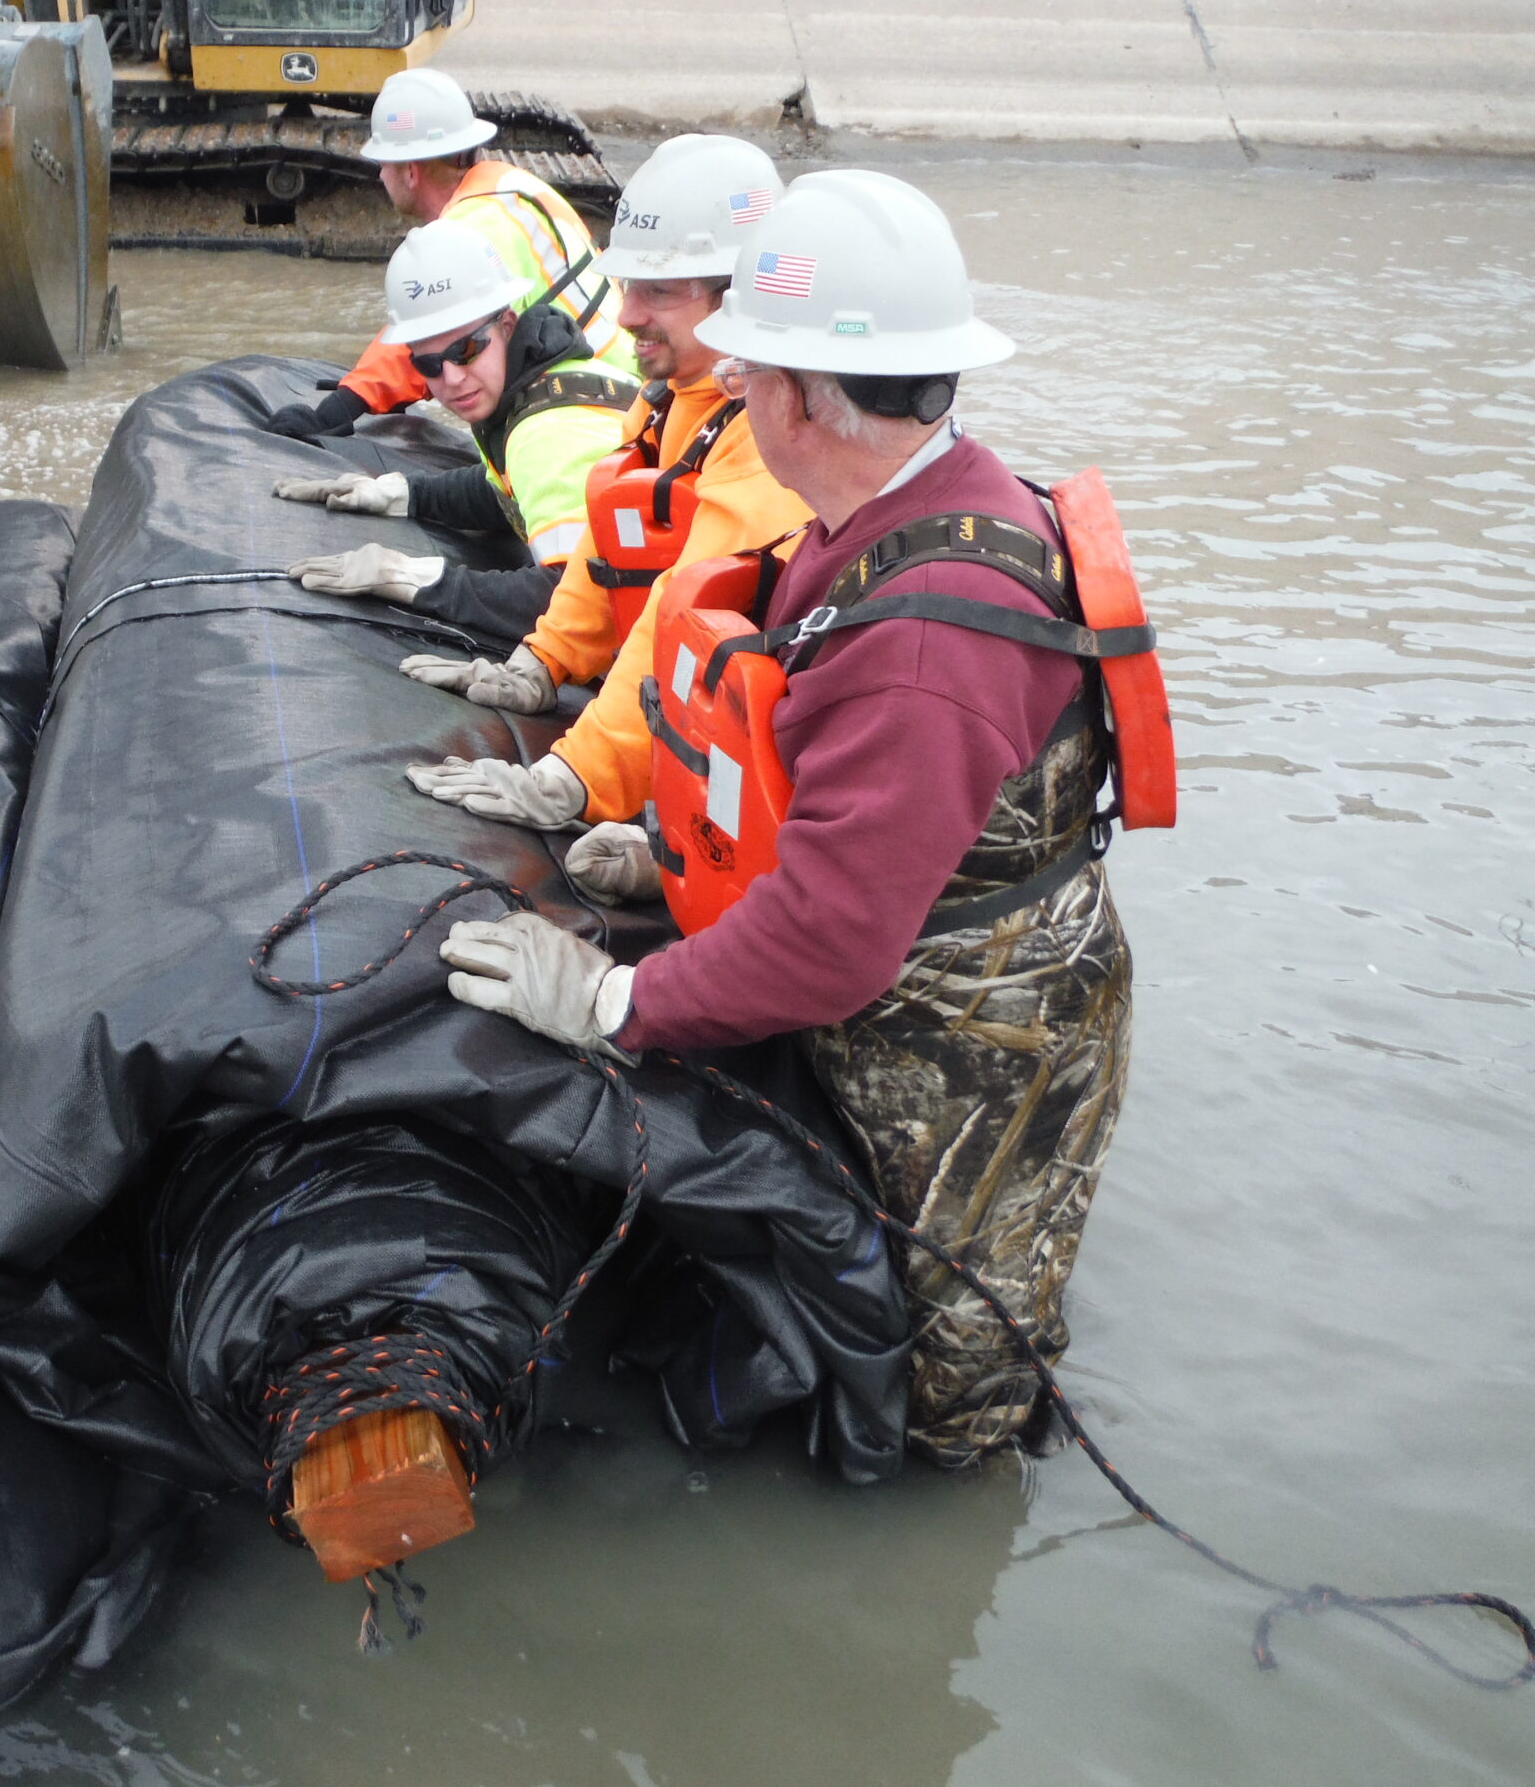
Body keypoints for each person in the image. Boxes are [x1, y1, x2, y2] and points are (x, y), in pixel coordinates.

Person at [436, 170, 1168, 1466]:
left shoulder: (929, 638)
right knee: (864, 1285)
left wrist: (607, 1001)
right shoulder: (892, 516)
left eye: (747, 374)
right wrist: (670, 872)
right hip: (919, 966)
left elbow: (835, 942)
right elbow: (824, 806)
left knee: (956, 1401)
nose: (730, 394)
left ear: (797, 400)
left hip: (981, 1055)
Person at [395, 136, 812, 837]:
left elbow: (682, 619)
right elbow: (605, 551)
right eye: (628, 286)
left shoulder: (770, 442)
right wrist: (543, 660)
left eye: (659, 291)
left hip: (774, 763)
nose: (625, 316)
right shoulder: (670, 400)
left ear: (740, 295)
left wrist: (577, 779)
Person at [273, 220, 637, 650]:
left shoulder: (547, 432)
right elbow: (507, 492)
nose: (452, 379)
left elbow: (578, 600)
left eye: (466, 350)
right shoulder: (531, 389)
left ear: (506, 324)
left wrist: (416, 580)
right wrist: (405, 495)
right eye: (428, 365)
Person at [261, 68, 632, 446]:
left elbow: (433, 329)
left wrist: (343, 405)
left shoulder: (470, 229)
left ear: (409, 171)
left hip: (599, 415)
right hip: (619, 384)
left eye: (384, 164)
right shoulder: (510, 187)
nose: (381, 176)